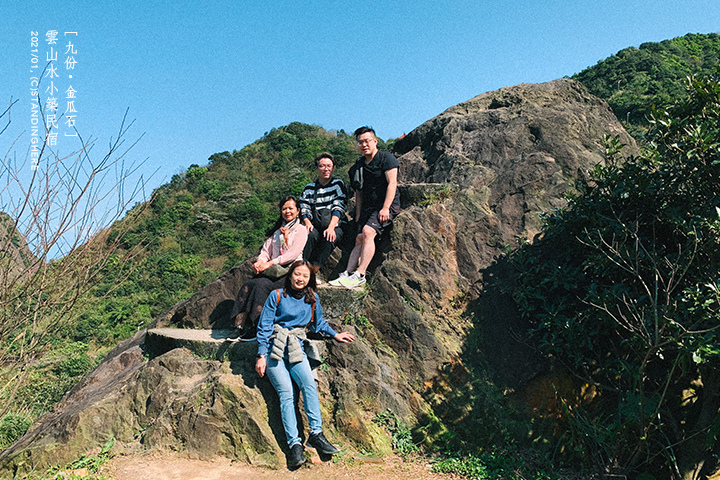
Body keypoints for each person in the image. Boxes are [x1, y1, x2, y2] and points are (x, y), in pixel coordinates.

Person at [255, 260, 355, 469]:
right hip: (275, 350)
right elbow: (264, 327)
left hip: (296, 349)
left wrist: (336, 334)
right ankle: (294, 446)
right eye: (297, 274)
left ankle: (316, 434)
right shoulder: (277, 295)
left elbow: (319, 323)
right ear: (290, 275)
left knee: (309, 384)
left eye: (305, 276)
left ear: (310, 280)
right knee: (286, 392)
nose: (300, 279)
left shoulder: (312, 298)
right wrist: (261, 355)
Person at [227, 195, 308, 342]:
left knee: (262, 286)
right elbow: (265, 251)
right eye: (284, 208)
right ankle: (238, 327)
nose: (287, 211)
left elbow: (293, 254)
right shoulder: (277, 232)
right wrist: (260, 262)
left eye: (291, 208)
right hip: (275, 271)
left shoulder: (301, 230)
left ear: (298, 211)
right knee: (250, 284)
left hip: (290, 273)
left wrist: (269, 263)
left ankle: (258, 327)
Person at [330, 127, 400, 288]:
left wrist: (385, 208)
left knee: (368, 232)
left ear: (375, 141)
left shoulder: (386, 159)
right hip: (367, 208)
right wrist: (358, 214)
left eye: (367, 141)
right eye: (360, 142)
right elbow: (359, 192)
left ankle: (360, 274)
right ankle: (348, 273)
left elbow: (392, 183)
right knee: (359, 238)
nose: (364, 144)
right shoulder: (358, 166)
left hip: (386, 205)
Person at [299, 152, 347, 281]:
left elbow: (339, 206)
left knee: (331, 236)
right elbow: (304, 207)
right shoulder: (309, 188)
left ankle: (312, 271)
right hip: (315, 224)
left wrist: (331, 227)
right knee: (309, 235)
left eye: (329, 166)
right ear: (316, 168)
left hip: (334, 223)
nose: (326, 169)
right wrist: (307, 222)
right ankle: (303, 267)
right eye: (322, 166)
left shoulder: (338, 184)